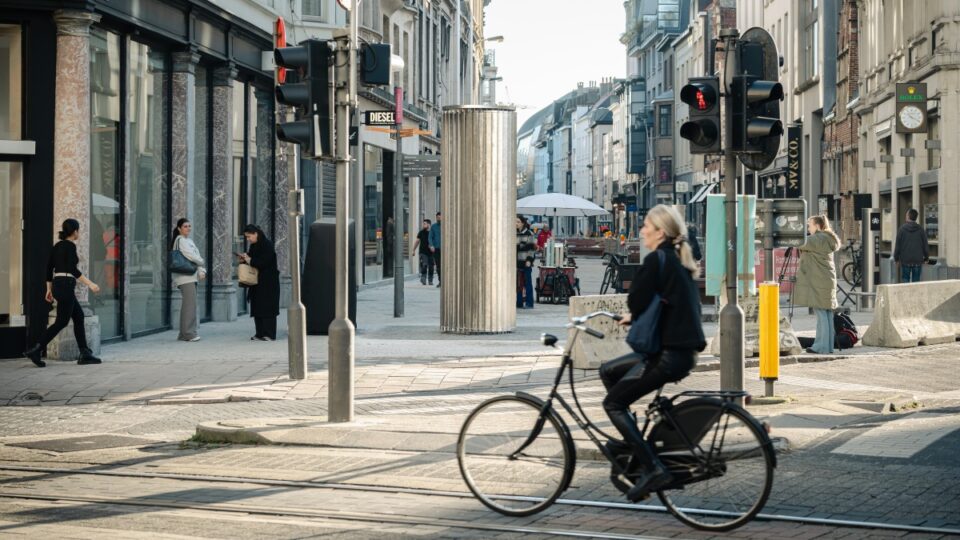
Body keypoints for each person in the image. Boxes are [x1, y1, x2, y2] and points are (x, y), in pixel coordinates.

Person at [601, 204, 705, 502]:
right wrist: (636, 316)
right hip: (678, 351)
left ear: (660, 232)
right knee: (608, 371)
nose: (642, 230)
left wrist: (632, 313)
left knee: (613, 403)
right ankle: (633, 442)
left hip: (668, 356)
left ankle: (653, 466)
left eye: (647, 225)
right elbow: (666, 302)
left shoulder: (657, 260)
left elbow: (637, 298)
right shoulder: (675, 260)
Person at [23, 219, 102, 367]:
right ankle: (37, 349)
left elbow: (48, 269)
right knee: (62, 321)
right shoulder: (70, 246)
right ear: (75, 232)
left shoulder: (57, 246)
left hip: (58, 285)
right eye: (78, 230)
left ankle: (85, 353)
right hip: (66, 285)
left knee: (78, 316)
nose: (79, 233)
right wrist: (91, 284)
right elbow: (73, 269)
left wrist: (48, 289)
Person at [794, 215, 840, 354]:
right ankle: (827, 346)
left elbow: (799, 242)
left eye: (809, 225)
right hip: (826, 280)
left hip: (819, 281)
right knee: (826, 313)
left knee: (821, 313)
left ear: (817, 225)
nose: (808, 228)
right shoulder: (828, 238)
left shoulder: (817, 238)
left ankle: (821, 347)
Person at [238, 224, 280, 341]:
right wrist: (245, 258)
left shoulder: (267, 245)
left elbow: (263, 262)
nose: (248, 239)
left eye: (249, 236)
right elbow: (252, 260)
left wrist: (249, 260)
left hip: (268, 282)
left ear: (256, 234)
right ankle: (260, 333)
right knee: (257, 306)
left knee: (267, 308)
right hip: (257, 282)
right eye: (247, 237)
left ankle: (269, 334)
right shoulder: (254, 246)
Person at [171, 218, 206, 342]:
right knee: (190, 305)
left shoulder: (189, 240)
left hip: (191, 275)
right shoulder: (180, 240)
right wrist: (201, 262)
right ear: (179, 228)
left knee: (189, 304)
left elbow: (196, 255)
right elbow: (191, 255)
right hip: (184, 276)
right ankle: (188, 333)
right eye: (185, 226)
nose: (188, 228)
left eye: (189, 226)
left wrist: (201, 267)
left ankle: (183, 333)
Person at [894, 208, 929, 283]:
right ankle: (915, 295)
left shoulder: (902, 229)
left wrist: (896, 259)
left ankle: (905, 294)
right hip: (917, 260)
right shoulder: (921, 229)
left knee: (905, 280)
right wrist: (926, 258)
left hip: (905, 260)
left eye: (906, 215)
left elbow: (897, 246)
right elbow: (925, 245)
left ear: (908, 216)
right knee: (916, 282)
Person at [516, 216, 536, 309]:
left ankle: (529, 303)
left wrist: (529, 260)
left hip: (526, 262)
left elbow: (532, 249)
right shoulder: (514, 233)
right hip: (516, 263)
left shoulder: (529, 234)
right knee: (518, 283)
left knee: (527, 283)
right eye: (515, 222)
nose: (516, 223)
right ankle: (519, 303)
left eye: (518, 222)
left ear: (523, 223)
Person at [411, 219, 434, 285]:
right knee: (424, 264)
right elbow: (417, 241)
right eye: (423, 224)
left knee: (431, 267)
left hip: (431, 252)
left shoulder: (432, 232)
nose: (423, 225)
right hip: (423, 252)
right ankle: (423, 278)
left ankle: (430, 280)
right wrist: (413, 250)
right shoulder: (421, 232)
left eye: (425, 224)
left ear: (429, 225)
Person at [430, 212, 442, 287]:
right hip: (436, 249)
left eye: (440, 217)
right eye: (437, 217)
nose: (439, 218)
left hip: (445, 250)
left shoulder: (446, 226)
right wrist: (431, 245)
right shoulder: (433, 226)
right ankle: (440, 281)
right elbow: (430, 237)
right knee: (438, 266)